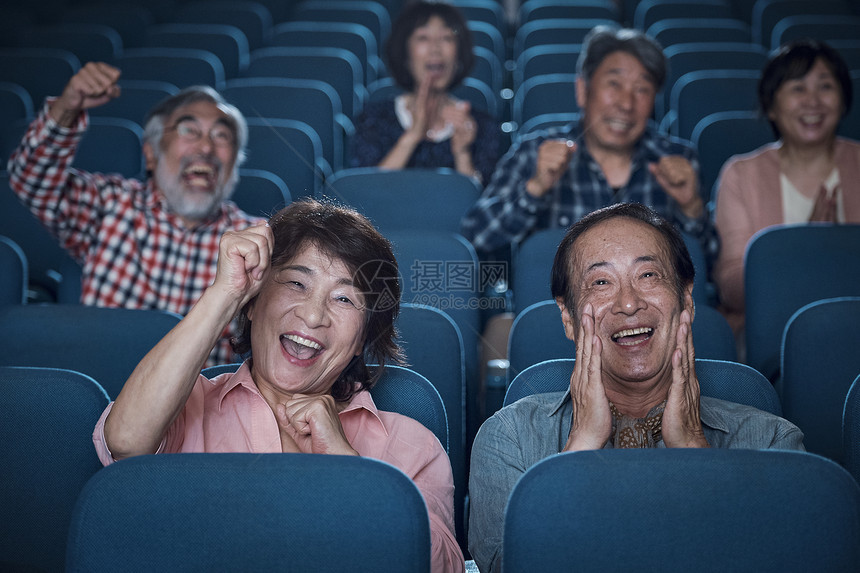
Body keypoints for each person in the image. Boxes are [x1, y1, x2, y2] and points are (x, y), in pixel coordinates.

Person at [93, 199, 465, 572]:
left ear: (362, 339)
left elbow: (439, 568)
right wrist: (226, 293)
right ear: (252, 304)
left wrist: (345, 463)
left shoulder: (414, 447)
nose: (313, 314)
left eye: (344, 298)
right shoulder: (185, 407)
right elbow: (124, 441)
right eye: (296, 283)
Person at [467, 203, 804, 573]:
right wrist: (580, 447)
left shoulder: (771, 442)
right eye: (601, 282)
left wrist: (694, 450)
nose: (628, 303)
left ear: (687, 299)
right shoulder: (509, 437)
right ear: (568, 317)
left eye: (648, 275)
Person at [6, 62, 264, 365]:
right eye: (189, 130)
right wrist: (66, 108)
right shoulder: (109, 203)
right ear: (152, 153)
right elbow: (30, 179)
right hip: (102, 395)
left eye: (222, 136)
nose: (206, 147)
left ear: (235, 163)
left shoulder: (253, 240)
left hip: (199, 406)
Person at [460, 26, 717, 265]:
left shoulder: (679, 158)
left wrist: (691, 209)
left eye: (642, 89)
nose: (626, 104)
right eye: (614, 84)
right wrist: (534, 189)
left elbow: (710, 264)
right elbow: (475, 237)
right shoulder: (534, 152)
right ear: (582, 90)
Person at [713, 38, 860, 337]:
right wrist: (807, 251)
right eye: (798, 88)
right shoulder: (741, 174)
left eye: (825, 86)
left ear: (843, 101)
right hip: (772, 332)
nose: (813, 101)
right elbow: (731, 288)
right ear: (771, 107)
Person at [349, 0, 501, 185]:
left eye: (447, 38)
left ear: (458, 56)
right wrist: (412, 136)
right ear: (405, 54)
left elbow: (484, 209)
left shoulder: (483, 126)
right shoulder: (373, 119)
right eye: (423, 37)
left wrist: (462, 153)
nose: (435, 48)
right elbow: (365, 196)